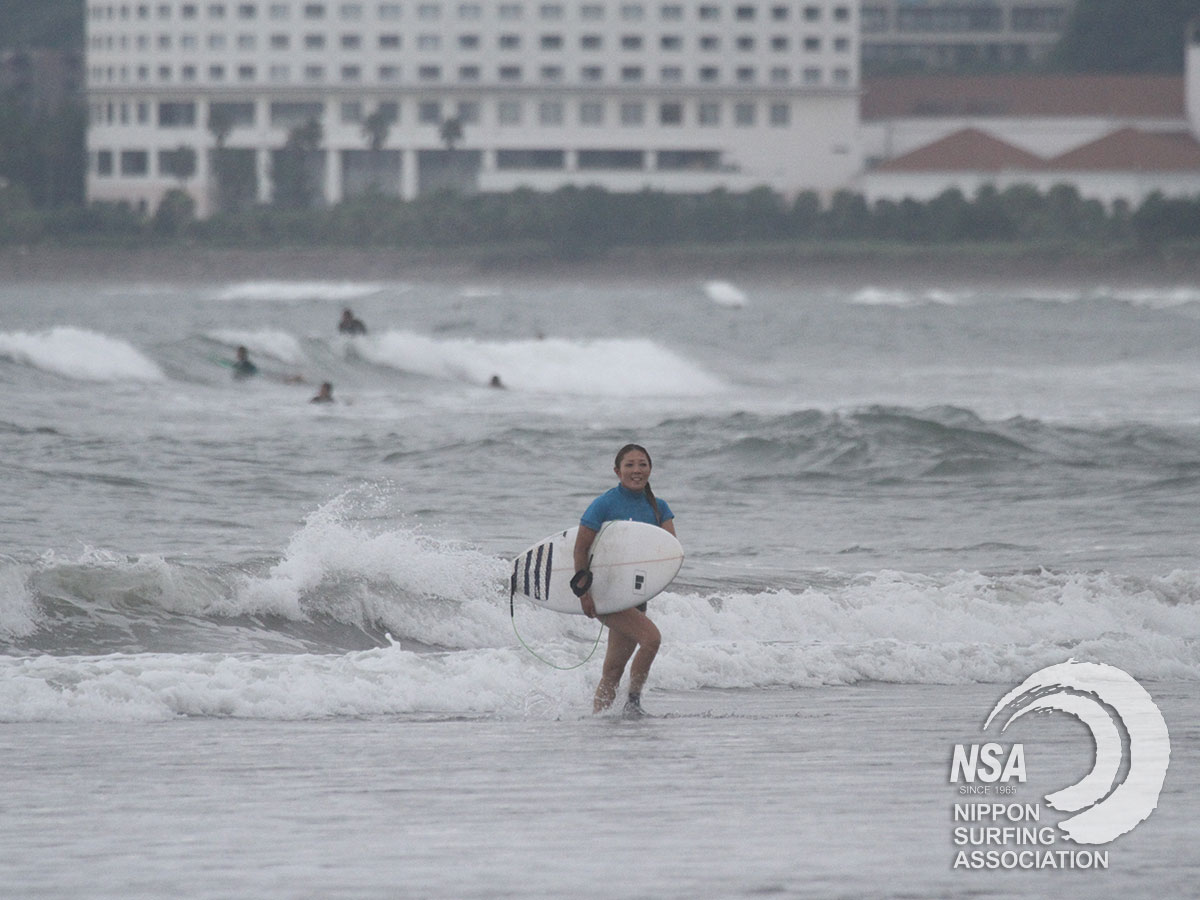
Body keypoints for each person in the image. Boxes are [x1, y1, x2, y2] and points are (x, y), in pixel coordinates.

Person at [573, 443, 676, 716]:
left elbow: (669, 553)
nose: (637, 470)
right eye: (629, 465)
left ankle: (600, 718)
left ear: (650, 469)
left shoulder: (659, 508)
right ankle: (633, 702)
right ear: (617, 471)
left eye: (642, 464)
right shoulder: (605, 504)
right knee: (651, 639)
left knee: (613, 670)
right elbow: (581, 548)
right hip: (605, 594)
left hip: (635, 595)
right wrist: (583, 593)